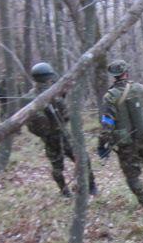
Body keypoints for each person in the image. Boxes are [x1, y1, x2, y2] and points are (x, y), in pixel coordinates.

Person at [21, 62, 97, 197]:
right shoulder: (53, 92)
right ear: (49, 76)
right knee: (82, 158)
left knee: (57, 166)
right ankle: (92, 187)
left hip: (48, 139)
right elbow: (66, 115)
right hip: (61, 134)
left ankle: (65, 192)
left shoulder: (29, 97)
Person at [98, 60, 143, 208]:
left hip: (125, 141)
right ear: (126, 72)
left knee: (132, 175)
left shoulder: (110, 96)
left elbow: (107, 122)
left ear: (114, 76)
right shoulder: (141, 88)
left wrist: (102, 144)